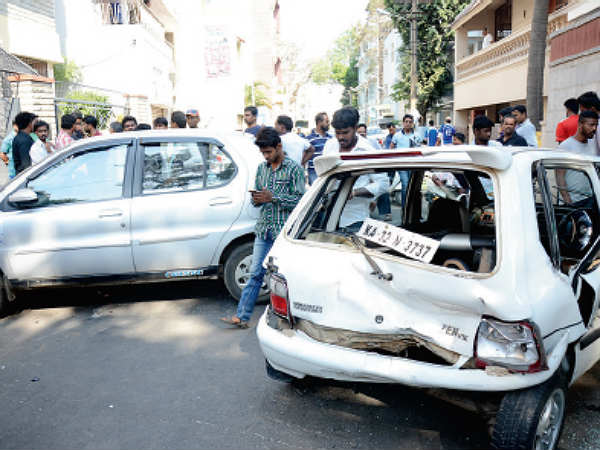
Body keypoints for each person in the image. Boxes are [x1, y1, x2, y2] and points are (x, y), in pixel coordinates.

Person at [220, 127, 305, 328]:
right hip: (264, 228)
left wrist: (273, 197)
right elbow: (258, 200)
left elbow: (301, 201)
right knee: (255, 273)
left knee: (285, 277)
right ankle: (242, 317)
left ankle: (294, 320)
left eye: (269, 152)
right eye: (263, 153)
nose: (266, 156)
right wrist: (257, 199)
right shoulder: (262, 168)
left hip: (284, 232)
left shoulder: (294, 169)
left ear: (279, 147)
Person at [323, 107, 389, 230]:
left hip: (354, 219)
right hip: (328, 216)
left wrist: (354, 193)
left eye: (345, 132)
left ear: (355, 128)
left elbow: (383, 184)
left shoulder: (367, 150)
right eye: (337, 133)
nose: (341, 137)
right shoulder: (330, 145)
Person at [557, 111, 599, 205]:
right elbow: (560, 176)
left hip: (590, 200)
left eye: (596, 125)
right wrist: (567, 200)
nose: (594, 129)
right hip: (572, 202)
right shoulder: (566, 146)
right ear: (580, 124)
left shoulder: (592, 145)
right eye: (591, 125)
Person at [305, 112, 332, 185]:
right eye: (326, 121)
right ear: (319, 122)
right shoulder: (308, 139)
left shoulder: (331, 138)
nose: (328, 123)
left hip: (328, 171)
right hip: (314, 171)